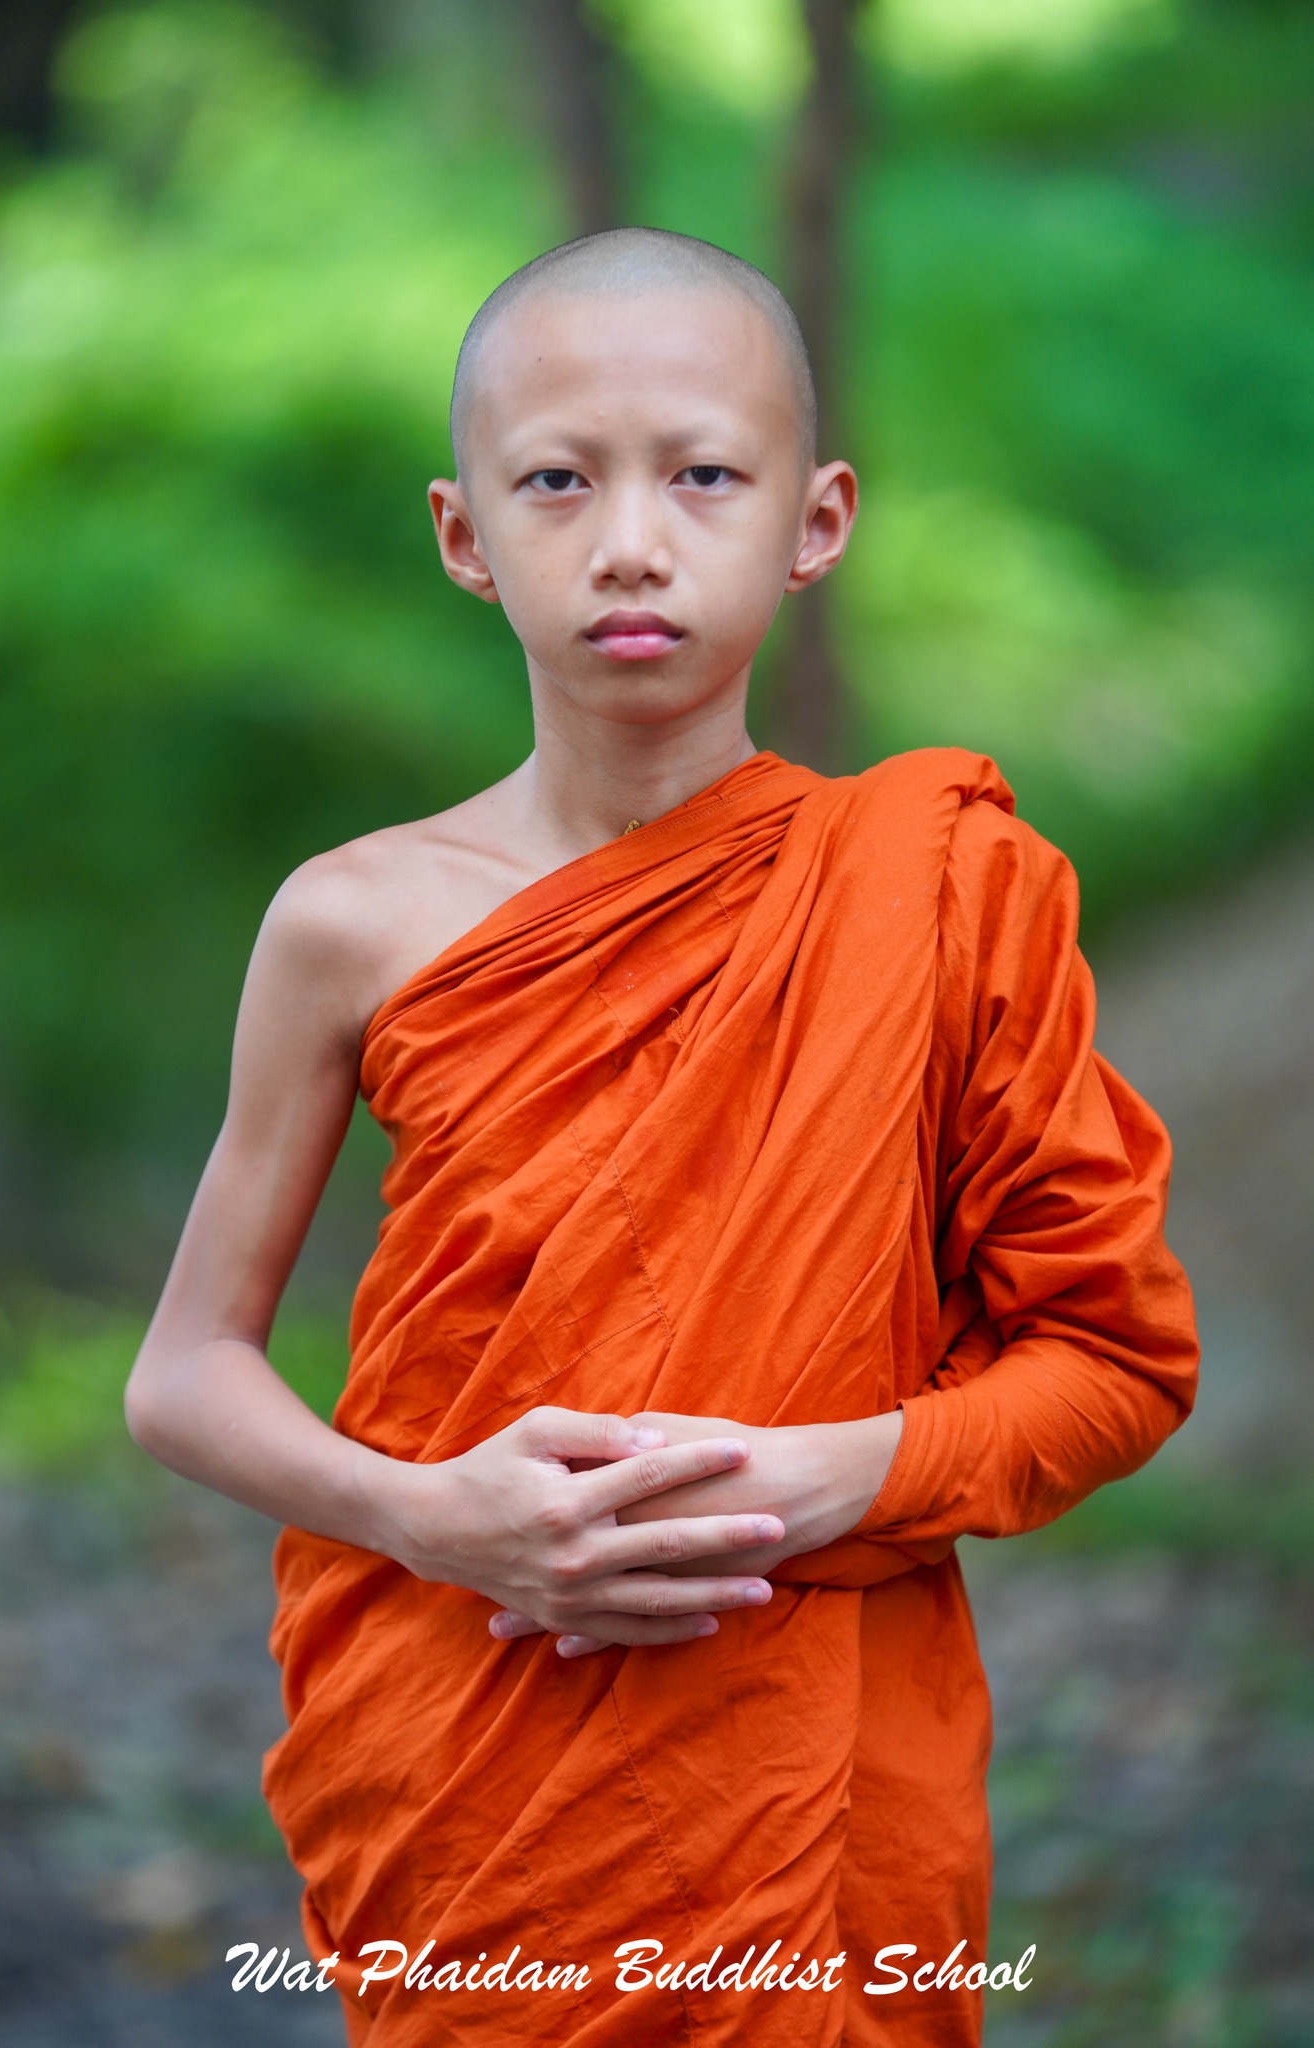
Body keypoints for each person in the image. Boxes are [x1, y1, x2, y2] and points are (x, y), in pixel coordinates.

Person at [124, 227, 1199, 2047]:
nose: (630, 541)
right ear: (465, 535)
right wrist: (436, 1520)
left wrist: (835, 1475)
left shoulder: (937, 892)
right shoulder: (352, 919)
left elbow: (1112, 1364)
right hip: (467, 1757)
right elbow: (183, 1376)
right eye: (558, 481)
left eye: (703, 475)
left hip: (815, 1780)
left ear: (815, 520)